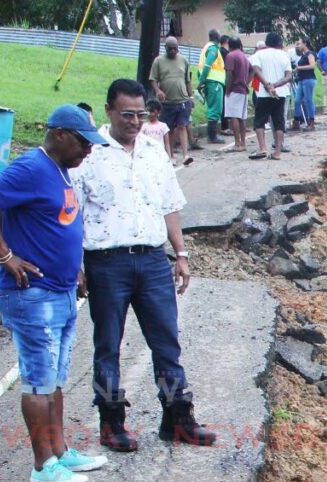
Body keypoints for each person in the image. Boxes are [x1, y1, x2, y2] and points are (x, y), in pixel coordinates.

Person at [0, 105, 109, 482]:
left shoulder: (60, 169)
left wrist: (74, 268)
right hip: (33, 295)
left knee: (56, 379)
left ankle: (60, 452)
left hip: (60, 290)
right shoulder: (32, 167)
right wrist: (5, 255)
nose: (88, 151)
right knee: (37, 381)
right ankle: (43, 466)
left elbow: (59, 222)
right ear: (60, 134)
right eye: (83, 142)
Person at [71, 79, 217, 451]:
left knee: (166, 342)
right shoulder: (88, 156)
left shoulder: (154, 152)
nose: (134, 121)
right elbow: (73, 215)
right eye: (127, 115)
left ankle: (177, 418)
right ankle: (111, 421)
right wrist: (76, 265)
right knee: (108, 345)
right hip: (106, 262)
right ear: (108, 111)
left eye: (140, 114)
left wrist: (180, 254)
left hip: (152, 261)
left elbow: (169, 205)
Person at [149, 36, 195, 167]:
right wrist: (158, 91)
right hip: (167, 102)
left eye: (175, 48)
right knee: (169, 129)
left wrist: (191, 97)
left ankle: (185, 155)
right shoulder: (158, 61)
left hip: (183, 100)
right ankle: (171, 155)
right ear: (166, 48)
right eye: (170, 49)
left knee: (182, 126)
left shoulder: (183, 60)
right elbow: (153, 79)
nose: (173, 51)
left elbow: (187, 81)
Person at [249, 32, 292, 160]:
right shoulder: (284, 55)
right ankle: (277, 152)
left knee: (259, 121)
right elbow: (288, 77)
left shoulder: (258, 54)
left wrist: (268, 85)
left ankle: (262, 148)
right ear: (279, 43)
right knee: (279, 121)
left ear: (266, 43)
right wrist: (275, 85)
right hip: (281, 93)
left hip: (263, 93)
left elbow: (256, 70)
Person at [198, 28, 227, 144]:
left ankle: (212, 135)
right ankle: (212, 136)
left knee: (213, 108)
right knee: (215, 108)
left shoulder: (206, 47)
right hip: (214, 82)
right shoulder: (213, 49)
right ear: (217, 37)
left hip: (211, 81)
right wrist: (202, 81)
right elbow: (207, 65)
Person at [223, 37, 251, 152]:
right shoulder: (244, 56)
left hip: (234, 89)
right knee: (242, 117)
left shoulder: (230, 56)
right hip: (243, 89)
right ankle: (243, 143)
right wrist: (246, 82)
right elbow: (252, 70)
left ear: (229, 45)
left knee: (233, 116)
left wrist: (227, 88)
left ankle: (237, 143)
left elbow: (229, 74)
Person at [291, 37, 318, 131]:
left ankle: (311, 121)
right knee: (297, 100)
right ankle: (297, 121)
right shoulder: (304, 55)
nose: (298, 46)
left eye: (299, 43)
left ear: (305, 43)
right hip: (302, 80)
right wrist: (295, 70)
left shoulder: (310, 54)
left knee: (308, 100)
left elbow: (312, 65)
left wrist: (299, 68)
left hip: (308, 79)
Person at [219, 34, 232, 134]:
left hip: (222, 79)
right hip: (224, 80)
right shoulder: (224, 53)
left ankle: (227, 126)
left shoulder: (222, 52)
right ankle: (225, 127)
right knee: (225, 103)